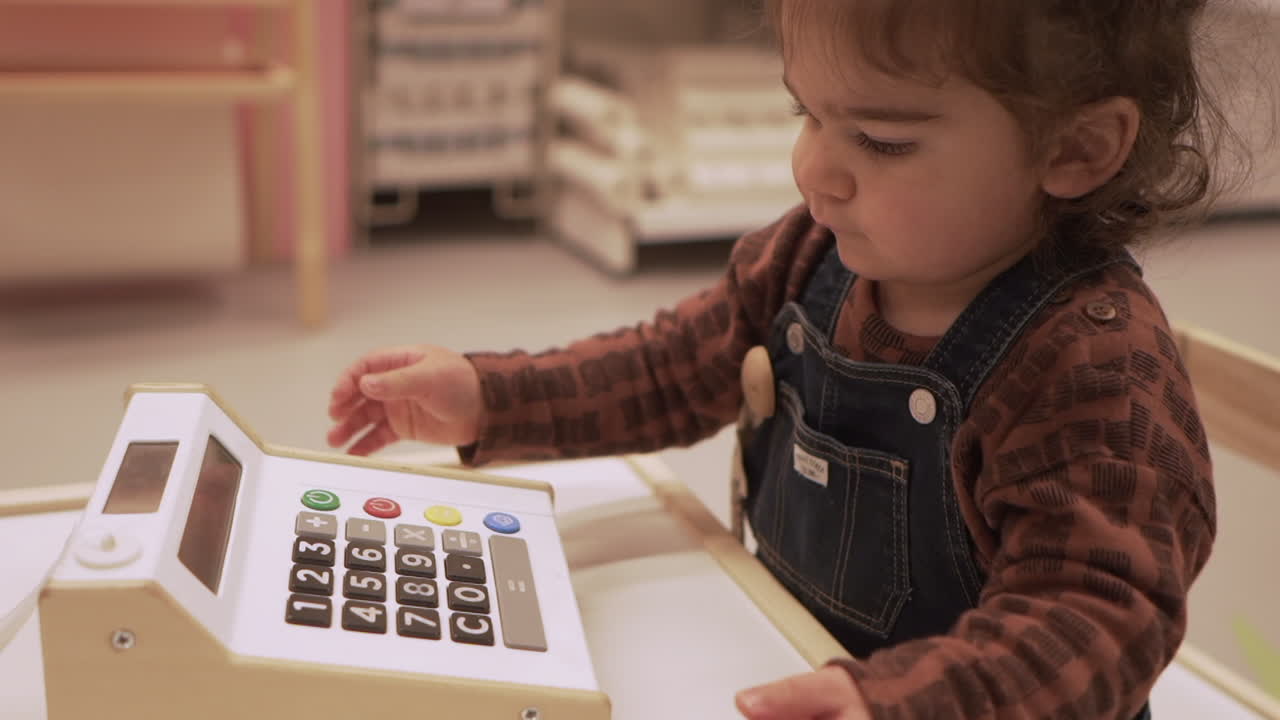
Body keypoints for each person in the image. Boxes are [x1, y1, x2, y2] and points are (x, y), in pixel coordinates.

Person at [327, 1, 1252, 717]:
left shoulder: (1094, 367)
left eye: (881, 140)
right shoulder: (810, 256)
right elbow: (670, 366)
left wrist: (901, 702)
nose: (813, 169)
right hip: (783, 649)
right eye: (807, 113)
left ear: (1078, 149)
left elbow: (1094, 618)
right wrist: (494, 396)